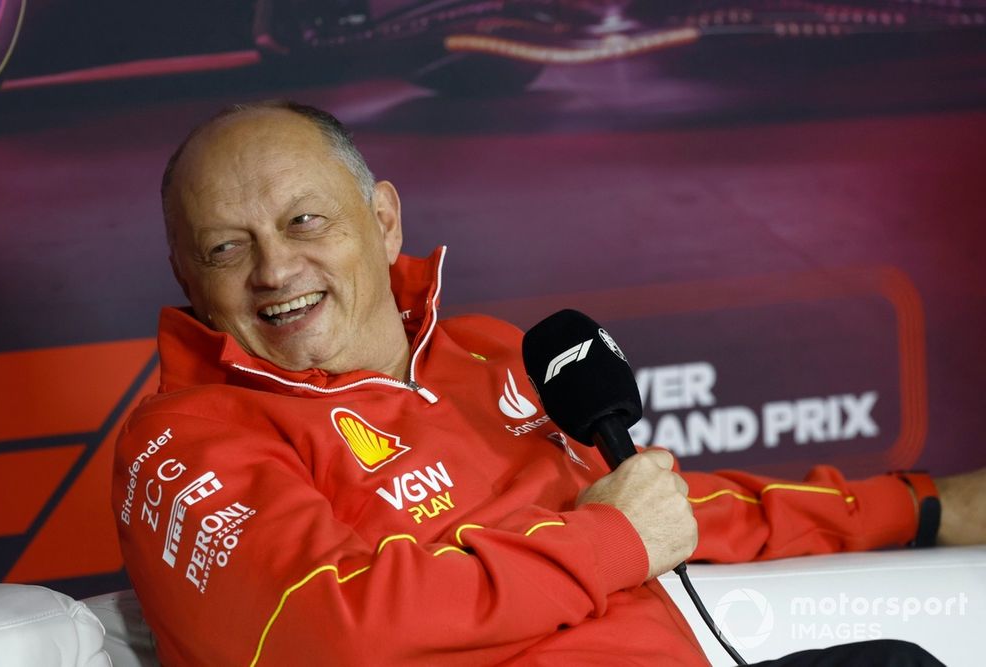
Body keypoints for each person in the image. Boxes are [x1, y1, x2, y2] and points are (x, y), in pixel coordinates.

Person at [112, 100, 984, 666]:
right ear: (190, 280)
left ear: (381, 221)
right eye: (227, 248)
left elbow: (673, 509)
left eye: (306, 220)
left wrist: (924, 506)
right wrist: (608, 539)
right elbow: (318, 625)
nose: (274, 268)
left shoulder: (491, 355)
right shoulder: (181, 439)